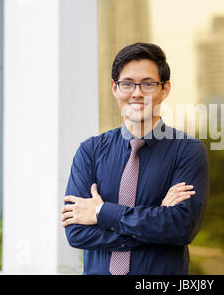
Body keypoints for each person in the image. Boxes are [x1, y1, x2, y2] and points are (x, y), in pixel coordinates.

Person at [61, 42, 209, 275]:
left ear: (165, 89)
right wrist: (156, 220)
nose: (137, 93)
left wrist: (101, 213)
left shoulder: (187, 151)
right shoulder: (89, 151)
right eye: (128, 83)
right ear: (114, 88)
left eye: (148, 84)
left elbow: (180, 228)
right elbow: (77, 232)